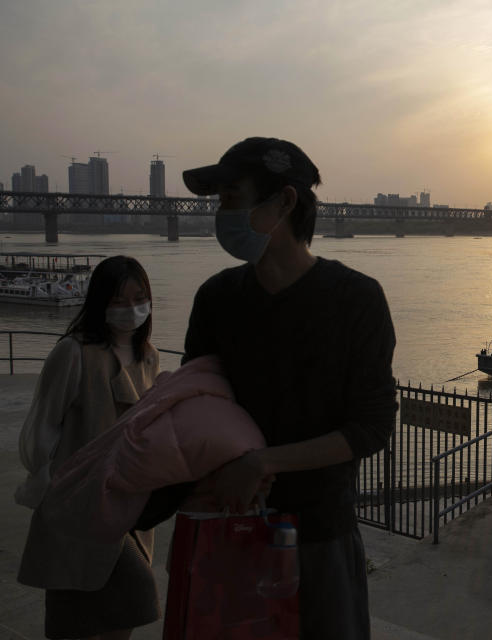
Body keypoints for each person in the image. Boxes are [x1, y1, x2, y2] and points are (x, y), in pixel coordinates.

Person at [180, 137, 397, 640]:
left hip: (320, 533)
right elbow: (198, 404)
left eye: (232, 197)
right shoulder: (217, 297)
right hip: (226, 526)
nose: (221, 213)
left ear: (284, 202)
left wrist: (262, 463)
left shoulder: (356, 299)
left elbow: (372, 426)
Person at [16, 256, 161, 640]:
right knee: (79, 605)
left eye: (139, 298)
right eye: (118, 300)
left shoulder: (149, 357)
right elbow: (41, 427)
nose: (131, 309)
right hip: (77, 504)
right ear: (99, 302)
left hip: (128, 501)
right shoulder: (74, 352)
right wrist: (52, 485)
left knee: (124, 599)